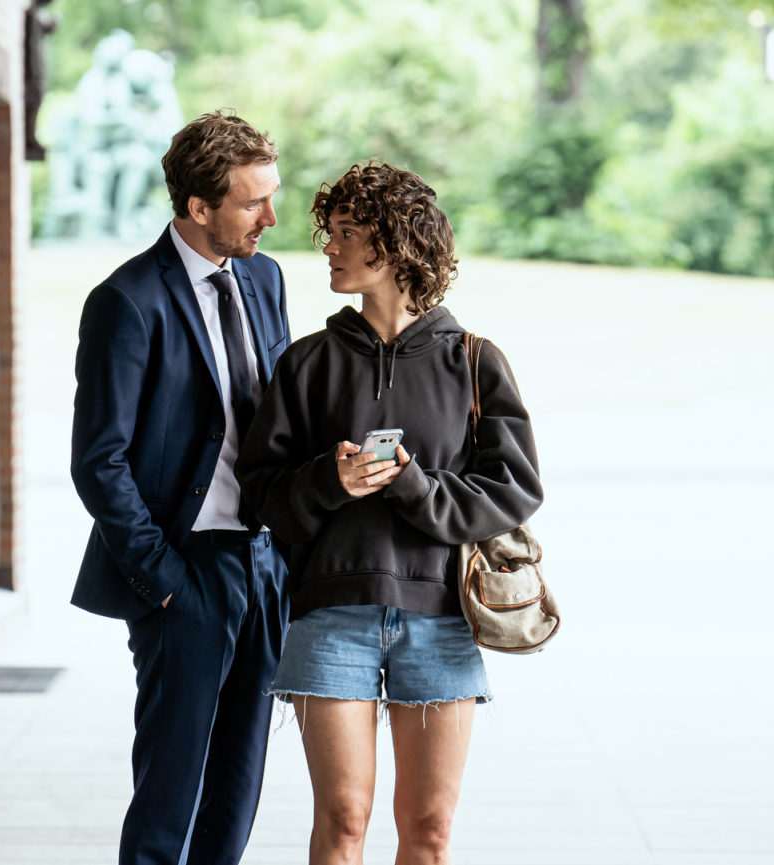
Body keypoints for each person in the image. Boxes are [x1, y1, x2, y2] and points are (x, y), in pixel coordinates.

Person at [236, 161, 544, 865]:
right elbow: (259, 491)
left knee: (428, 829)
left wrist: (412, 488)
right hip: (330, 617)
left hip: (440, 618)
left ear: (395, 243)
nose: (329, 247)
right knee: (343, 819)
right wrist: (331, 481)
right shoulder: (306, 363)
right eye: (331, 231)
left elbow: (515, 488)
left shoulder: (474, 362)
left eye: (347, 232)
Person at [69, 110, 292, 865]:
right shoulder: (126, 301)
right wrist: (163, 579)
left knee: (238, 783)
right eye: (252, 202)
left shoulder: (264, 276)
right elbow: (99, 459)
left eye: (272, 194)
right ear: (199, 208)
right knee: (170, 794)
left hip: (263, 565)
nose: (271, 216)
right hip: (184, 570)